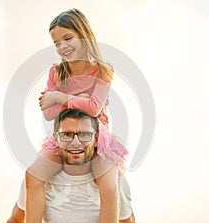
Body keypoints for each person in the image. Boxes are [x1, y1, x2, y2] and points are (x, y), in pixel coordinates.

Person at [26, 8, 129, 223]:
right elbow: (48, 113)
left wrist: (59, 96)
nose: (62, 46)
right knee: (33, 175)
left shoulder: (102, 70)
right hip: (65, 137)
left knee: (109, 185)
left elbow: (93, 109)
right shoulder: (57, 72)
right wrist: (79, 97)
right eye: (57, 43)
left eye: (68, 38)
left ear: (84, 35)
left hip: (97, 140)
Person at [7, 109, 135, 223]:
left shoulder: (115, 180)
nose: (75, 143)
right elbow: (15, 219)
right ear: (56, 139)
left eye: (85, 135)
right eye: (66, 135)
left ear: (96, 139)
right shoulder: (40, 179)